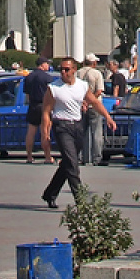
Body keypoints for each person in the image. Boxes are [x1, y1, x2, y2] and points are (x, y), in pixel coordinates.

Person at [40, 58, 117, 208]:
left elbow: (94, 102)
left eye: (67, 69)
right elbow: (46, 112)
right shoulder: (53, 88)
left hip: (77, 126)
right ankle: (81, 200)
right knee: (73, 163)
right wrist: (45, 134)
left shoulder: (82, 86)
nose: (63, 72)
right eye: (61, 69)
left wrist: (108, 117)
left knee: (68, 163)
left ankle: (50, 193)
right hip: (62, 126)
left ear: (74, 70)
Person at [23, 57, 54, 164]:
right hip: (44, 106)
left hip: (33, 105)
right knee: (45, 132)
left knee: (31, 131)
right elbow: (52, 94)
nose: (48, 66)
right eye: (47, 64)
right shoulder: (47, 77)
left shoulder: (29, 77)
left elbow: (26, 94)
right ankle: (47, 156)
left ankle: (29, 156)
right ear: (42, 64)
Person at [78, 55, 107, 165]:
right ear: (93, 63)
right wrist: (91, 101)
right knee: (97, 133)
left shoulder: (78, 73)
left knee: (81, 133)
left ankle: (81, 157)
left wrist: (84, 102)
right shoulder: (96, 73)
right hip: (95, 107)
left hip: (81, 106)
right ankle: (97, 158)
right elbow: (99, 91)